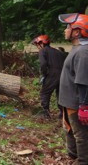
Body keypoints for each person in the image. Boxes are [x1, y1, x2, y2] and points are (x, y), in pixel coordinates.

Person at [58, 13, 88, 164]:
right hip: (68, 100)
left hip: (76, 102)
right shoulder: (77, 48)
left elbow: (83, 82)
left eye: (67, 27)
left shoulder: (83, 52)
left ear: (77, 31)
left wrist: (84, 106)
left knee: (80, 134)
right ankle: (73, 156)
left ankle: (83, 161)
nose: (65, 30)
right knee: (69, 129)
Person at [32, 34, 66, 119]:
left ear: (41, 43)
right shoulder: (58, 52)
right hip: (63, 75)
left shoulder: (43, 51)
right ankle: (63, 114)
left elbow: (43, 64)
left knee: (45, 93)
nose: (37, 47)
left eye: (37, 45)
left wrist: (44, 74)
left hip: (51, 74)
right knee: (60, 94)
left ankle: (45, 113)